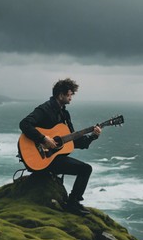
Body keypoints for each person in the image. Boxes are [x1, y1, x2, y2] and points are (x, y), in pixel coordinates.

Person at [19, 78, 101, 214]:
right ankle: (72, 204)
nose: (71, 98)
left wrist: (93, 136)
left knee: (86, 169)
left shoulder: (64, 114)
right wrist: (43, 138)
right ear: (61, 95)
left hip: (52, 158)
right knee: (85, 169)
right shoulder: (44, 109)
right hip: (40, 158)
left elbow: (73, 141)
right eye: (69, 95)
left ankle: (74, 201)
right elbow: (24, 124)